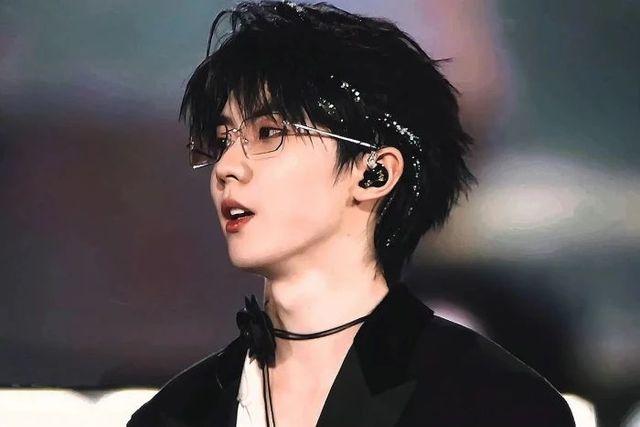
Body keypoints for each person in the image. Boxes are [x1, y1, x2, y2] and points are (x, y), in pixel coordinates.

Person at [128, 1, 575, 426]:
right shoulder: (174, 415)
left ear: (375, 173)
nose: (227, 167)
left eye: (268, 133)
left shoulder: (496, 405)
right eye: (224, 139)